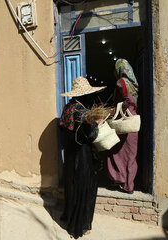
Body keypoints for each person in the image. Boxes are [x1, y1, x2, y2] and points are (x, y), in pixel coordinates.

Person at [59, 76, 106, 239]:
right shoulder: (84, 113)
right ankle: (79, 226)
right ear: (84, 95)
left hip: (71, 155)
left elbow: (63, 129)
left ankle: (70, 218)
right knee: (85, 190)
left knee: (72, 188)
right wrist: (97, 123)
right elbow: (91, 136)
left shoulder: (68, 107)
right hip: (83, 156)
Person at [107, 59, 139, 194]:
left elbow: (128, 101)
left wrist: (114, 111)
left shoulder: (121, 82)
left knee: (114, 151)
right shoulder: (134, 84)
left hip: (123, 122)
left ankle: (119, 180)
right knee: (130, 155)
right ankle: (128, 185)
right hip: (132, 122)